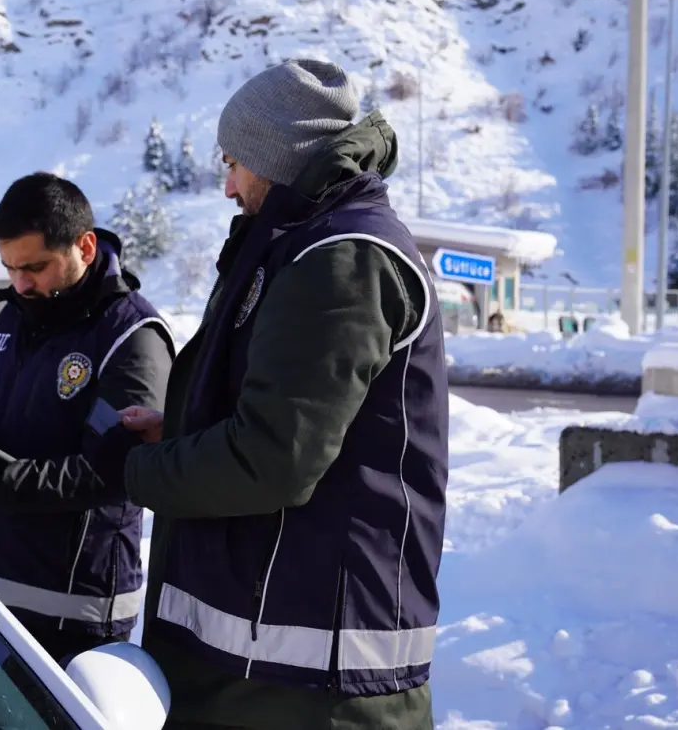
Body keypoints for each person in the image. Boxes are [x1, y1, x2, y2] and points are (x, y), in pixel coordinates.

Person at [115, 59, 449, 729]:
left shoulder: (341, 259)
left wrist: (131, 471)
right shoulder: (300, 246)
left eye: (234, 163)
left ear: (277, 158)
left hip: (311, 690)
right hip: (264, 672)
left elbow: (273, 458)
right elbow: (279, 415)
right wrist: (177, 430)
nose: (228, 185)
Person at [0, 172, 175, 665]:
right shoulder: (17, 313)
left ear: (84, 246)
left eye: (35, 267)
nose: (20, 284)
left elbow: (110, 472)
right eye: (10, 268)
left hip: (73, 619)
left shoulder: (131, 337)